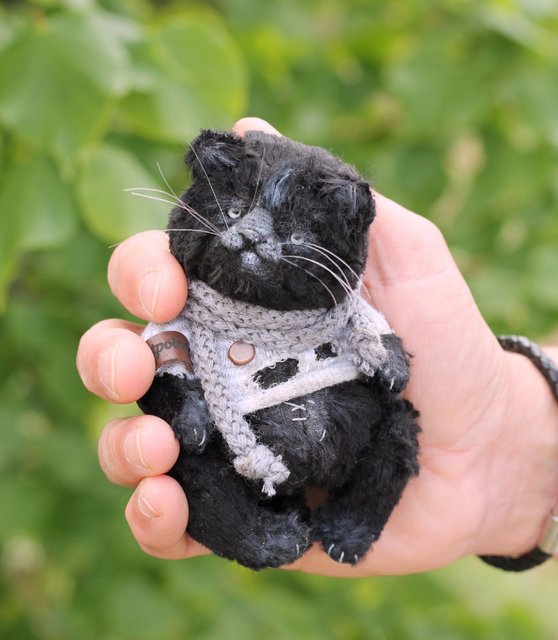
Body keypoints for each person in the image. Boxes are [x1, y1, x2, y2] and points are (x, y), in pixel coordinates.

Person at [76, 117, 558, 577]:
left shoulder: (346, 311)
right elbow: (167, 370)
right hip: (241, 449)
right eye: (235, 213)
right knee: (190, 468)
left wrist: (391, 360)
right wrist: (182, 407)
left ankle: (355, 519)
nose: (251, 238)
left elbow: (382, 353)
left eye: (293, 236)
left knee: (396, 435)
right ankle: (252, 532)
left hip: (345, 431)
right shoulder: (186, 314)